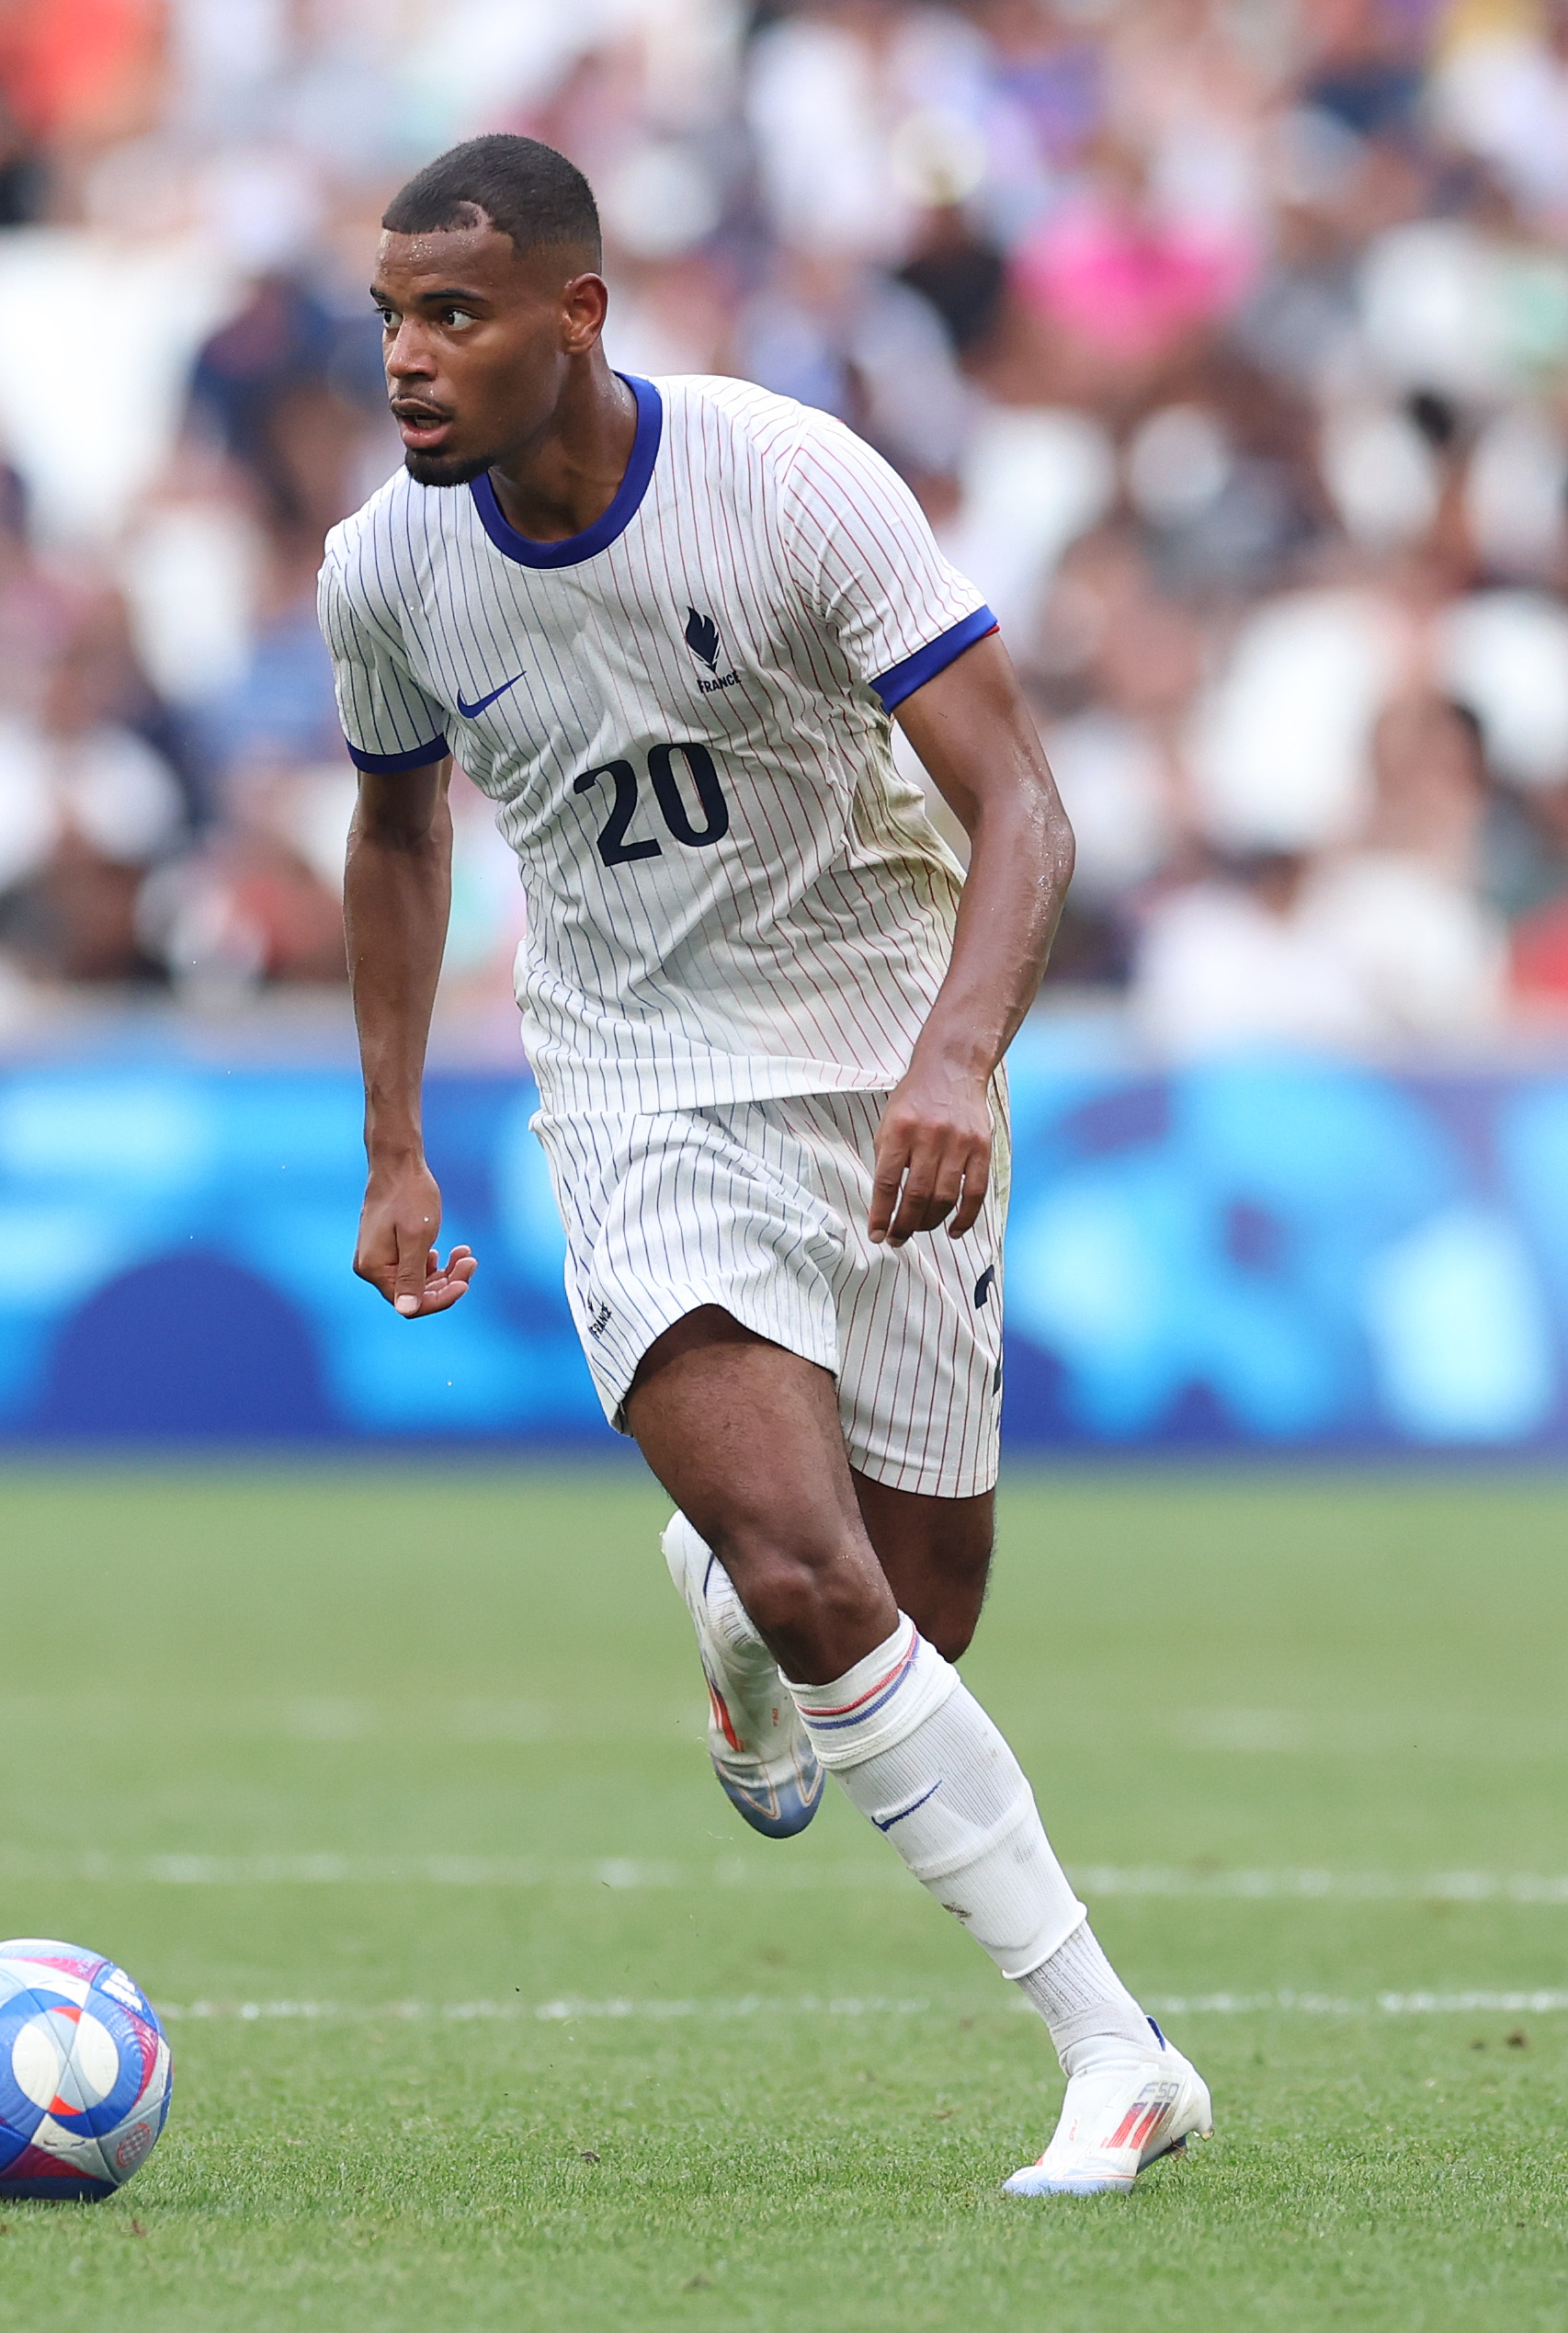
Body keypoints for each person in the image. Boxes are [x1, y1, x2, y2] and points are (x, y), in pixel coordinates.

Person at [321, 134, 1205, 2199]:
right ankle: (1114, 2048)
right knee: (829, 1584)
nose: (408, 362)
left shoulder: (786, 482)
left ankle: (720, 1600)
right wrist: (391, 1145)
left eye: (452, 317)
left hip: (886, 1057)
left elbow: (1023, 808)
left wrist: (958, 1058)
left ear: (576, 316)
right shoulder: (389, 569)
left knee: (914, 1603)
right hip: (637, 1088)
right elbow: (392, 833)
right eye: (387, 320)